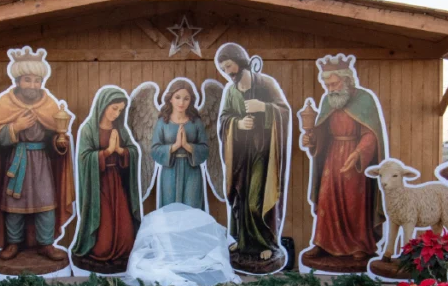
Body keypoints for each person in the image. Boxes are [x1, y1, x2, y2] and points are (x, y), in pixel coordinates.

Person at [0, 48, 74, 265]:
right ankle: (13, 242)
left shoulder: (49, 104)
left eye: (37, 80)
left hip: (41, 161)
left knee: (47, 203)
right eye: (27, 80)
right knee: (14, 205)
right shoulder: (6, 103)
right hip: (16, 159)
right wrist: (14, 127)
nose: (33, 85)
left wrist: (59, 143)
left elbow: (55, 135)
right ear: (18, 80)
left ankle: (46, 243)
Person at [301, 55, 384, 270]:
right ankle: (322, 243)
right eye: (327, 85)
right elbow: (323, 131)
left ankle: (359, 245)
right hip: (332, 156)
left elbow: (371, 134)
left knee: (353, 200)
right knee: (326, 198)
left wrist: (358, 153)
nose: (330, 89)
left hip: (355, 158)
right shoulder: (328, 101)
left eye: (334, 83)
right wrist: (311, 140)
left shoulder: (364, 99)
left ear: (347, 80)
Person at [216, 43, 290, 273]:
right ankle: (244, 242)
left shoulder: (266, 83)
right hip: (241, 154)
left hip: (263, 153)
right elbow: (224, 119)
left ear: (239, 60)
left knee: (257, 198)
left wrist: (264, 108)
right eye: (223, 68)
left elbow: (284, 112)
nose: (228, 72)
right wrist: (237, 123)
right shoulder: (231, 91)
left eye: (229, 65)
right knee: (240, 197)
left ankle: (265, 243)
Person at [72, 88, 142, 272]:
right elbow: (84, 158)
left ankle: (122, 255)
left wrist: (120, 151)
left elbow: (132, 151)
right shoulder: (89, 129)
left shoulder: (120, 129)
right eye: (114, 108)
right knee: (103, 236)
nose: (116, 113)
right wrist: (107, 152)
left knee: (126, 232)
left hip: (118, 183)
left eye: (120, 110)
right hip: (98, 186)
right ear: (103, 106)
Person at [150, 80, 209, 209]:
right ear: (170, 98)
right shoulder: (162, 123)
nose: (181, 103)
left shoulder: (196, 122)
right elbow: (154, 150)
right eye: (177, 97)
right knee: (170, 207)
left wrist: (187, 146)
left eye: (186, 99)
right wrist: (175, 146)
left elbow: (205, 149)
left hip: (192, 171)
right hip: (169, 170)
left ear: (191, 101)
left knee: (192, 206)